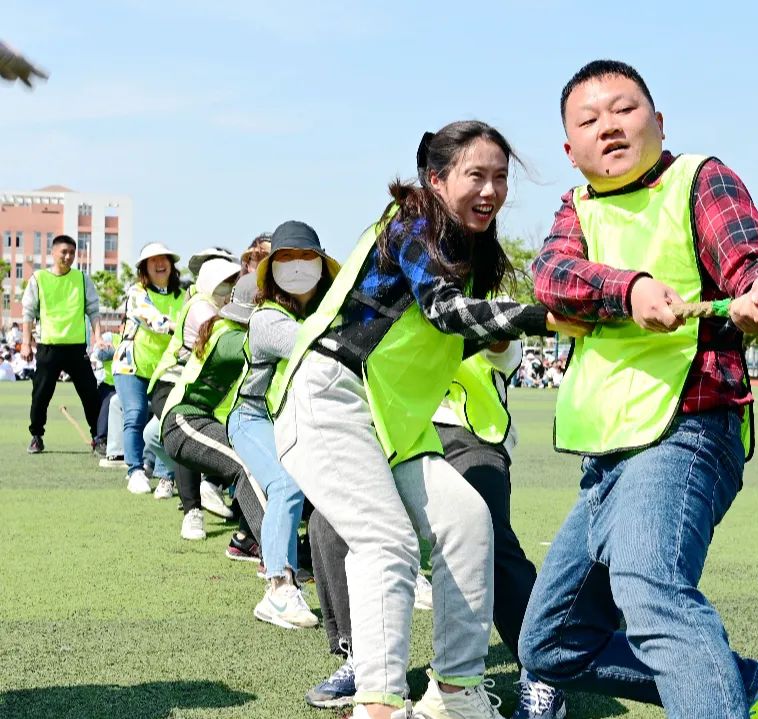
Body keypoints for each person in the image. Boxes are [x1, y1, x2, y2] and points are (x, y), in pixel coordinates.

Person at [518, 60, 758, 719]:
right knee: (550, 642)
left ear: (658, 120)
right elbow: (552, 276)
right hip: (607, 448)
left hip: (688, 423)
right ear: (570, 150)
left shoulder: (698, 178)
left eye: (623, 109)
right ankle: (755, 686)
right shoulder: (578, 208)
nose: (608, 126)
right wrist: (629, 290)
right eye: (588, 120)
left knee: (651, 590)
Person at [268, 121, 587, 719]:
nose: (491, 190)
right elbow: (443, 313)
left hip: (390, 416)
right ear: (436, 180)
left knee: (468, 522)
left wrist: (582, 321)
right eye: (476, 175)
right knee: (384, 541)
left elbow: (443, 340)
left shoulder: (467, 249)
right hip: (329, 398)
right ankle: (380, 703)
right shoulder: (414, 223)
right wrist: (540, 317)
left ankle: (457, 694)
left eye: (500, 177)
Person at [305, 342, 567, 717]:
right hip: (395, 429)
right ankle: (365, 660)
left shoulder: (476, 290)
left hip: (466, 430)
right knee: (329, 521)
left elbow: (503, 349)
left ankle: (544, 671)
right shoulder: (391, 287)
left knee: (484, 526)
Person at [227, 222, 337, 628]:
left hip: (300, 418)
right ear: (271, 270)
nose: (296, 268)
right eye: (286, 260)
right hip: (254, 417)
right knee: (286, 483)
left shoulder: (325, 310)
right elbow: (321, 345)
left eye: (305, 258)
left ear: (321, 265)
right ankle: (278, 587)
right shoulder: (268, 319)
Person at [149, 258, 242, 537]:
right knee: (185, 441)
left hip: (200, 390)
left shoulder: (219, 306)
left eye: (234, 283)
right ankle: (192, 511)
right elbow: (223, 340)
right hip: (171, 383)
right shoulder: (201, 307)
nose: (230, 290)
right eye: (225, 283)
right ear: (210, 283)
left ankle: (211, 485)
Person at [113, 243, 186, 494]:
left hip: (166, 369)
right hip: (131, 365)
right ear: (144, 268)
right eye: (152, 260)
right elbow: (152, 320)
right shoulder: (136, 292)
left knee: (166, 422)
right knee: (134, 414)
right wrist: (183, 327)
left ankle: (167, 475)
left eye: (163, 258)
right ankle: (134, 470)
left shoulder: (183, 296)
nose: (159, 264)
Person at [21, 234, 102, 454]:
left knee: (90, 392)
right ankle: (36, 436)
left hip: (77, 348)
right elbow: (28, 312)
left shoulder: (82, 279)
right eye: (64, 252)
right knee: (41, 394)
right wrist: (26, 343)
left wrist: (98, 336)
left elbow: (93, 310)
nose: (68, 256)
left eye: (72, 253)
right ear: (53, 253)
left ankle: (98, 437)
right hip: (49, 347)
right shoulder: (39, 278)